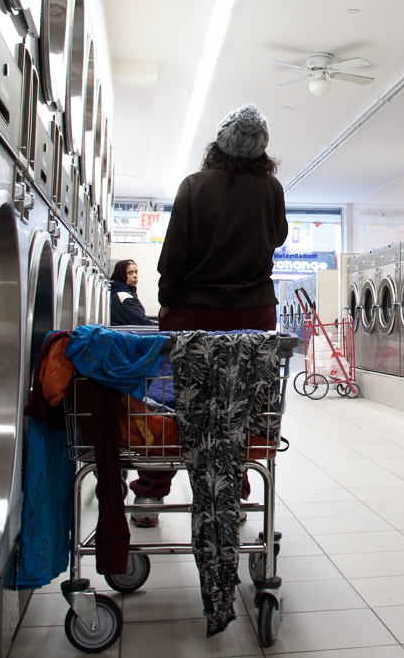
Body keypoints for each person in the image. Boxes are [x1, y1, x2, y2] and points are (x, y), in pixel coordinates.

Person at [130, 104, 288, 526]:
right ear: (261, 151)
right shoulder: (271, 189)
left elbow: (174, 254)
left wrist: (166, 300)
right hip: (253, 313)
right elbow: (278, 237)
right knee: (239, 405)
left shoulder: (193, 185)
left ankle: (149, 496)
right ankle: (231, 496)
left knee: (170, 402)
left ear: (218, 143)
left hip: (193, 311)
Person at [109, 259, 159, 329]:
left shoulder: (125, 292)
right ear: (121, 274)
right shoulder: (123, 297)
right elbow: (141, 322)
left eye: (136, 272)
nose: (135, 276)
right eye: (130, 273)